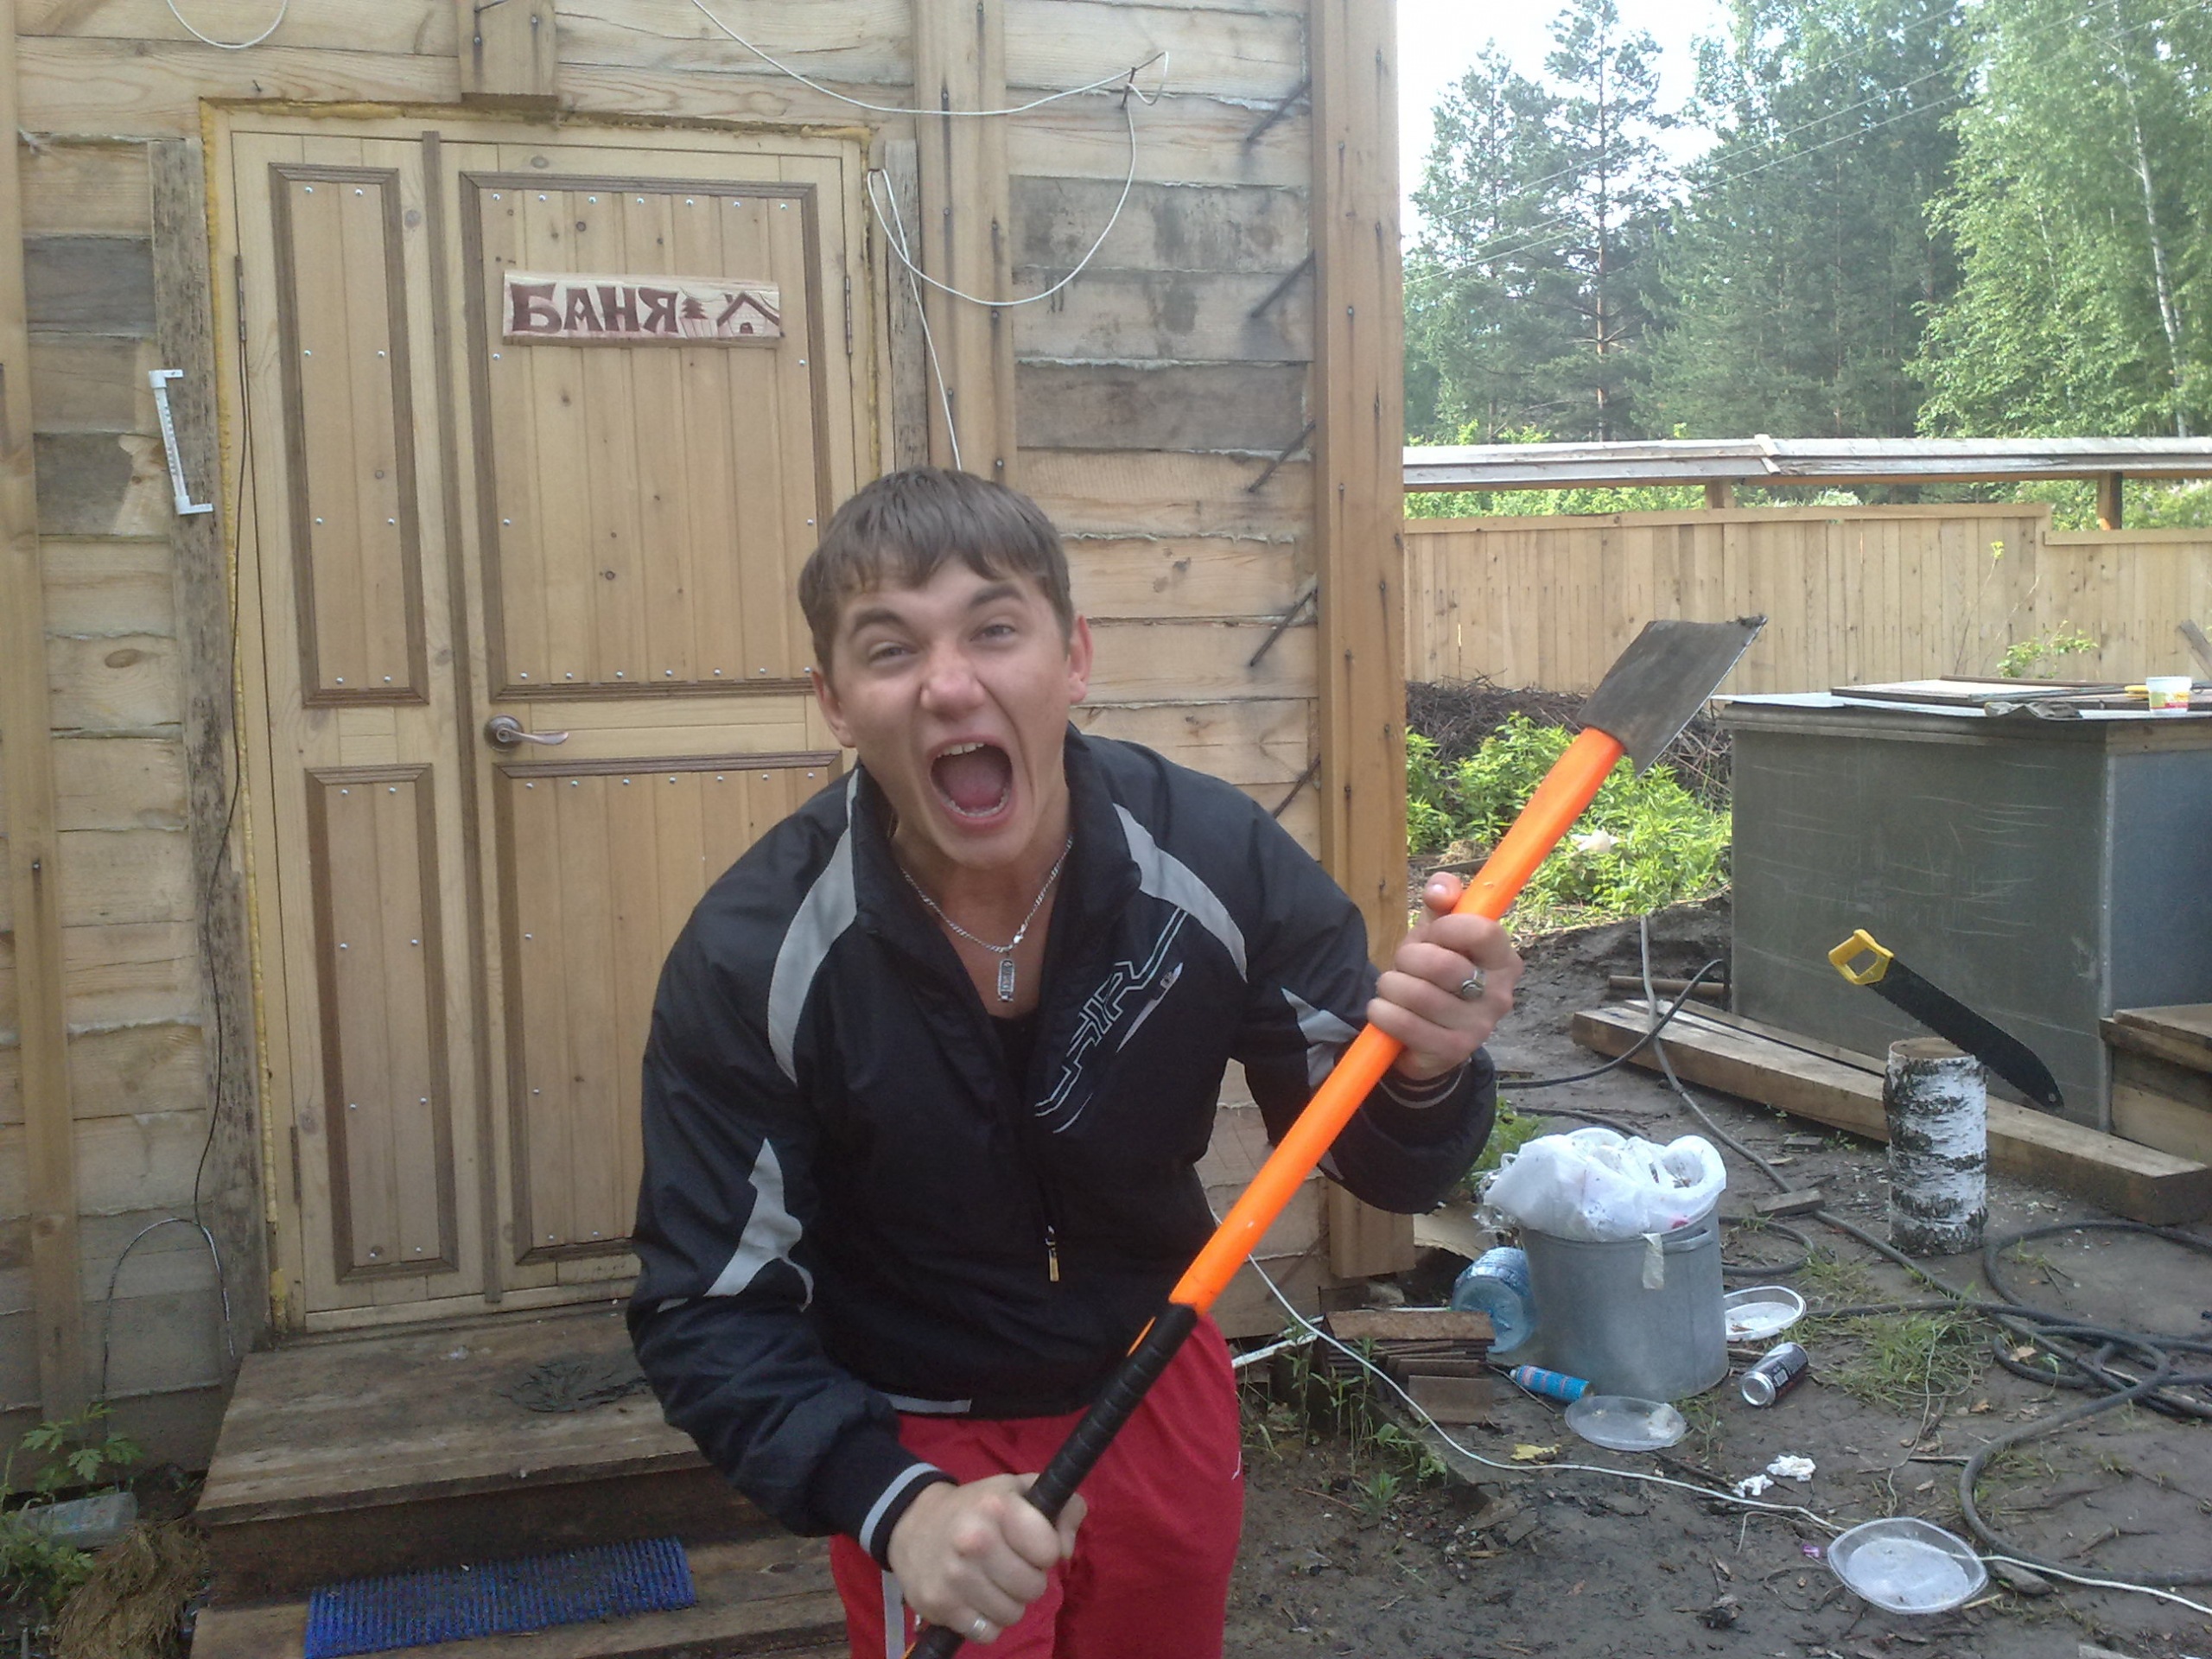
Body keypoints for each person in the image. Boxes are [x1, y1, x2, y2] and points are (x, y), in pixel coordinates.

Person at [629, 467, 1521, 1659]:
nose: (951, 684)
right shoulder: (757, 952)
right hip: (917, 1433)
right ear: (835, 702)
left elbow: (1384, 1159)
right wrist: (895, 1507)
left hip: (1157, 1376)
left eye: (995, 630)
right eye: (890, 650)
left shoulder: (1214, 858)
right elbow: (706, 1301)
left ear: (1075, 660)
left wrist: (1423, 1074)